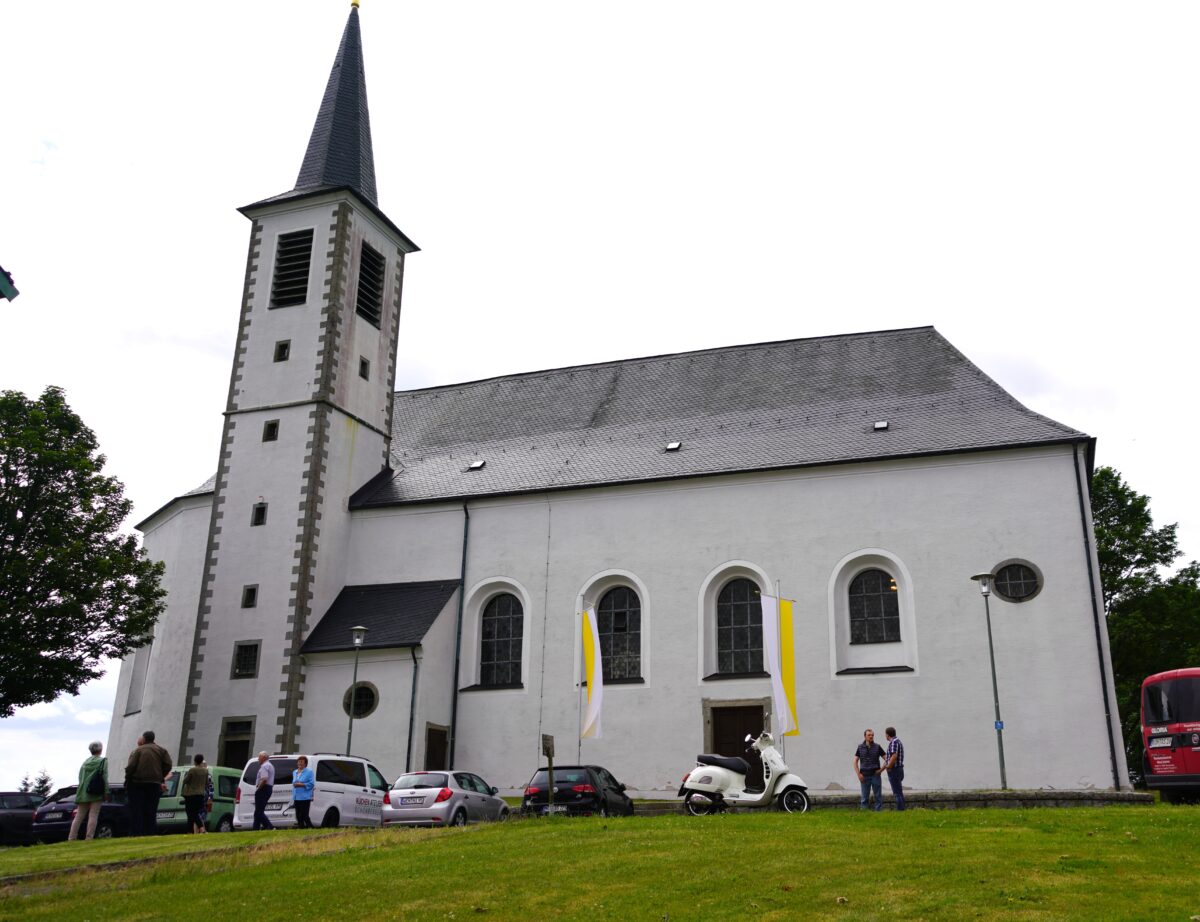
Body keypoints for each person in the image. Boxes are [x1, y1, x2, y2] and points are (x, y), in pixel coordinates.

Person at [125, 730, 173, 836]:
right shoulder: (161, 750)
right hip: (154, 784)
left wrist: (128, 778)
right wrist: (160, 776)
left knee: (136, 809)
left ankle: (136, 833)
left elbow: (131, 767)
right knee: (151, 810)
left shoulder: (138, 750)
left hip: (138, 783)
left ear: (144, 739)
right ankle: (149, 832)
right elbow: (168, 765)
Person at [68, 741, 107, 841]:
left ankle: (72, 837)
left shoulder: (85, 762)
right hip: (96, 792)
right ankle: (89, 837)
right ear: (100, 749)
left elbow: (80, 777)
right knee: (93, 815)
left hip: (83, 791)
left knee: (79, 816)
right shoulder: (103, 761)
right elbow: (104, 777)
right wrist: (106, 791)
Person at [853, 728, 886, 811]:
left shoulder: (878, 747)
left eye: (872, 735)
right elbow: (855, 761)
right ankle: (864, 813)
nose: (871, 736)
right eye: (869, 735)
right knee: (864, 797)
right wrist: (858, 774)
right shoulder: (860, 747)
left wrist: (881, 770)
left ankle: (878, 813)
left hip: (875, 775)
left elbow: (887, 759)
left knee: (878, 796)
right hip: (864, 776)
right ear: (865, 736)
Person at [182, 754, 211, 834]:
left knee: (190, 813)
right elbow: (207, 783)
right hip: (200, 794)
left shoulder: (192, 770)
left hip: (190, 795)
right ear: (201, 761)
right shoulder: (205, 771)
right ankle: (193, 830)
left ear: (195, 761)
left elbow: (185, 781)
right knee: (194, 813)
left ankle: (198, 828)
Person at [252, 751, 276, 830]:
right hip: (268, 788)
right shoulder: (270, 765)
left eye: (259, 757)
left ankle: (270, 826)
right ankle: (256, 828)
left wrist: (258, 788)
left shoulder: (264, 766)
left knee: (259, 811)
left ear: (264, 758)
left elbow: (264, 779)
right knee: (258, 811)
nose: (258, 758)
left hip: (263, 788)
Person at [884, 726, 906, 811]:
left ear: (887, 735)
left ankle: (900, 810)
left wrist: (889, 766)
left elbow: (894, 756)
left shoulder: (893, 742)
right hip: (899, 769)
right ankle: (902, 809)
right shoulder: (898, 741)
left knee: (897, 793)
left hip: (895, 770)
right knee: (899, 792)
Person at [291, 755, 316, 828]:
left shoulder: (309, 772)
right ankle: (301, 827)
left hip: (305, 797)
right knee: (298, 815)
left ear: (305, 763)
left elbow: (311, 784)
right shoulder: (294, 772)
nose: (299, 763)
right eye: (298, 762)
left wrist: (301, 784)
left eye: (301, 762)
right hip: (296, 796)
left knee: (304, 815)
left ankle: (311, 827)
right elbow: (294, 782)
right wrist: (295, 784)